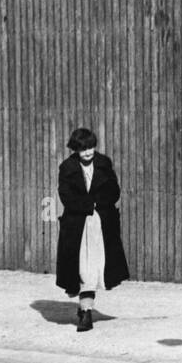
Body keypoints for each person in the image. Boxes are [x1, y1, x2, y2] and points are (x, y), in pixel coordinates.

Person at [55, 128, 130, 332]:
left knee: (96, 269)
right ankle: (86, 313)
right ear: (75, 149)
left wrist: (98, 203)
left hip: (100, 226)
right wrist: (87, 205)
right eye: (83, 149)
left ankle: (85, 308)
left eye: (90, 147)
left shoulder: (104, 164)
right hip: (78, 227)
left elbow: (114, 190)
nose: (88, 152)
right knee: (83, 270)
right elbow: (66, 196)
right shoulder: (67, 167)